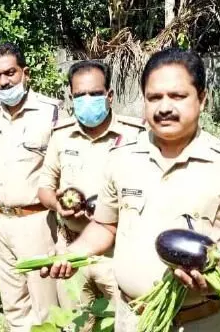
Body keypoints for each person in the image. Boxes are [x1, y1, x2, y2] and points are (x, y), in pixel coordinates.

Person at [42, 48, 220, 332]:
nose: (164, 107)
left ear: (202, 99)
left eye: (178, 96)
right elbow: (105, 225)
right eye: (154, 97)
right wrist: (73, 253)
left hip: (202, 321)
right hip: (134, 319)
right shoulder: (122, 158)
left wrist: (217, 281)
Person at [0, 42, 62, 331]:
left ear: (25, 73)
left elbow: (63, 168)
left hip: (35, 223)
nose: (4, 81)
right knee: (13, 302)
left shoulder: (51, 112)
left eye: (10, 73)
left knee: (45, 302)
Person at [37, 60, 144, 308]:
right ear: (71, 98)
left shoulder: (135, 136)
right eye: (80, 95)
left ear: (110, 96)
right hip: (71, 249)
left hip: (119, 251)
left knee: (127, 319)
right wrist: (57, 205)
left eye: (95, 94)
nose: (87, 100)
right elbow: (44, 188)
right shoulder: (61, 135)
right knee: (77, 322)